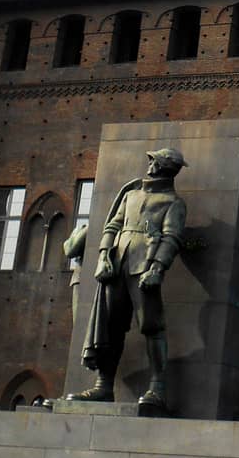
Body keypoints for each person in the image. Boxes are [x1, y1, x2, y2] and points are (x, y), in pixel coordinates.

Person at [69, 148, 188, 408]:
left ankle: (157, 388)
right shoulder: (131, 195)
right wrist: (103, 256)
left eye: (153, 161)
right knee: (110, 327)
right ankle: (103, 386)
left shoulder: (173, 203)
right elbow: (113, 225)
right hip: (116, 266)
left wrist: (157, 268)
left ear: (161, 167)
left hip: (143, 268)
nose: (149, 165)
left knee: (152, 326)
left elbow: (172, 237)